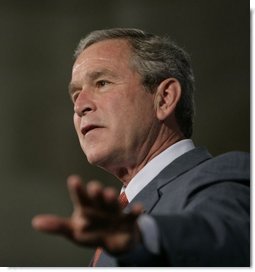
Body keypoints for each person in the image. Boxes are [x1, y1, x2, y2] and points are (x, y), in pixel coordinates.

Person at [32, 28, 250, 267]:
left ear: (164, 98)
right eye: (75, 95)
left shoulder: (225, 174)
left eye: (102, 83)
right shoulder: (116, 219)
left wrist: (141, 235)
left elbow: (227, 236)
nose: (79, 106)